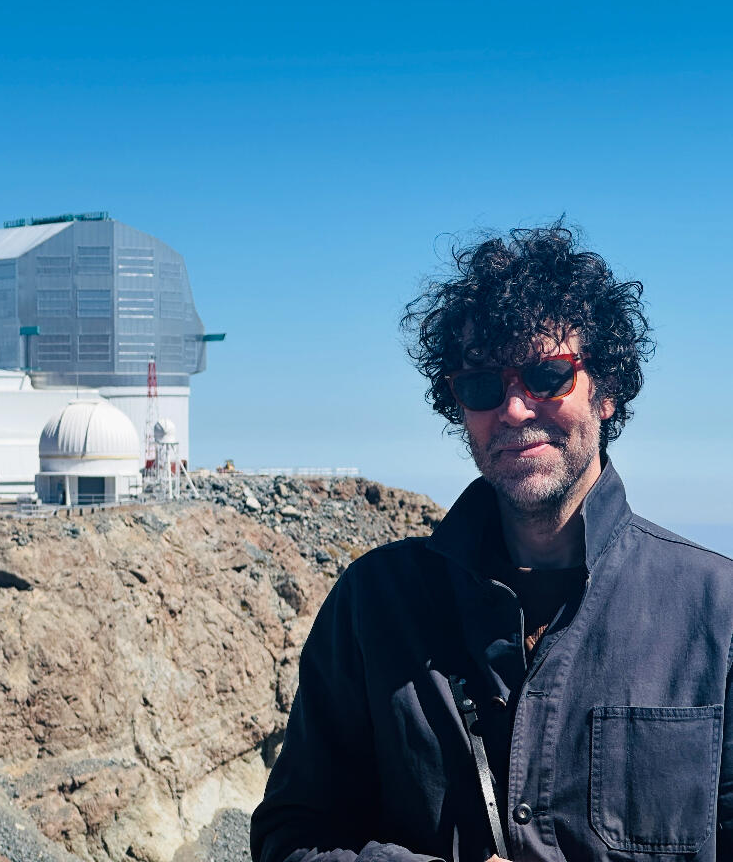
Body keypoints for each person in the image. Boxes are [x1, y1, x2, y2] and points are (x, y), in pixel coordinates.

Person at [251, 223, 733, 862]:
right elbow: (290, 838)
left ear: (607, 389)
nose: (512, 409)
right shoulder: (374, 606)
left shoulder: (718, 616)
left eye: (546, 375)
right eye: (482, 385)